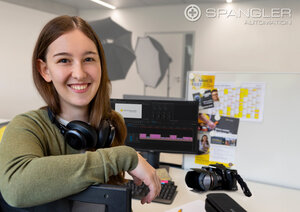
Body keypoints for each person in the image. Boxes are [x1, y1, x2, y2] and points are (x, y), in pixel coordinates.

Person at [0, 15, 161, 208]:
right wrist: (124, 157)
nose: (79, 73)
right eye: (64, 60)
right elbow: (16, 188)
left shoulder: (111, 123)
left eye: (88, 59)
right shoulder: (27, 126)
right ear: (45, 70)